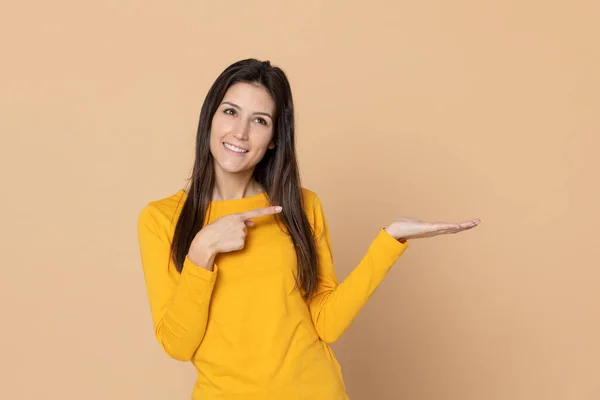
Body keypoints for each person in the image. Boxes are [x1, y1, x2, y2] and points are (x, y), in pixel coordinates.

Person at [136, 58, 480, 399]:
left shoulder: (302, 207)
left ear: (273, 138)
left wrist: (391, 240)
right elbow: (178, 345)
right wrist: (201, 252)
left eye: (259, 120)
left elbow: (327, 323)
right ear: (209, 118)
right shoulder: (161, 219)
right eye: (230, 112)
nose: (240, 132)